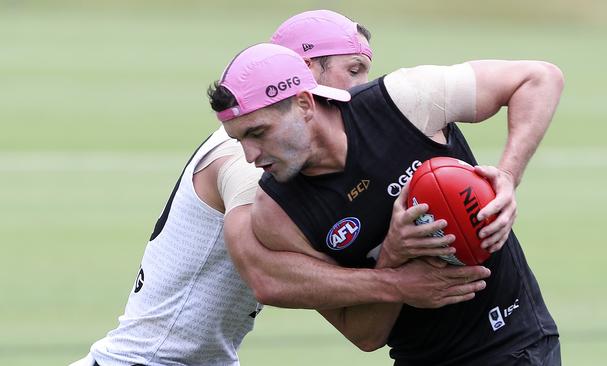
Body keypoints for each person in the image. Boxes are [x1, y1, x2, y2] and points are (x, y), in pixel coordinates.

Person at [70, 11, 491, 366]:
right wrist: (398, 279)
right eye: (354, 70)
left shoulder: (291, 149)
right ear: (304, 75)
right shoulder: (251, 155)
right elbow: (261, 271)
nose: (364, 86)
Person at [211, 42, 564, 365]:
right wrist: (393, 259)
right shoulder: (277, 215)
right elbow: (365, 336)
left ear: (304, 103)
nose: (249, 156)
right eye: (238, 139)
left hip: (516, 343)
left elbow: (539, 78)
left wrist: (506, 176)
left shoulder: (403, 102)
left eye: (258, 133)